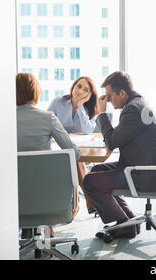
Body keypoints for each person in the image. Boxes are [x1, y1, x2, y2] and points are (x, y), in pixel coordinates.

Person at [83, 71, 156, 240]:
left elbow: (112, 141)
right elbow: (121, 135)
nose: (108, 100)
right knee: (96, 170)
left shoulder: (131, 110)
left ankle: (123, 224)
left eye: (110, 96)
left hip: (145, 174)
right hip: (148, 167)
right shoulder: (138, 103)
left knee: (89, 182)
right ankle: (129, 221)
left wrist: (102, 114)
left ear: (122, 93)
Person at [16, 73, 81, 224]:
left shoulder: (3, 120)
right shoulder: (48, 117)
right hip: (49, 198)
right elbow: (74, 154)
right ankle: (47, 228)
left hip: (13, 199)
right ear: (36, 92)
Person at [47, 76, 99, 214]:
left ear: (89, 95)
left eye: (85, 89)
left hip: (82, 153)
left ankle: (77, 205)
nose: (79, 91)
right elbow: (46, 123)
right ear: (73, 86)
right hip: (59, 148)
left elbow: (88, 130)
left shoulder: (91, 109)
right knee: (73, 158)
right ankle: (89, 201)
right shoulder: (58, 102)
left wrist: (81, 107)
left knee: (75, 158)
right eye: (78, 86)